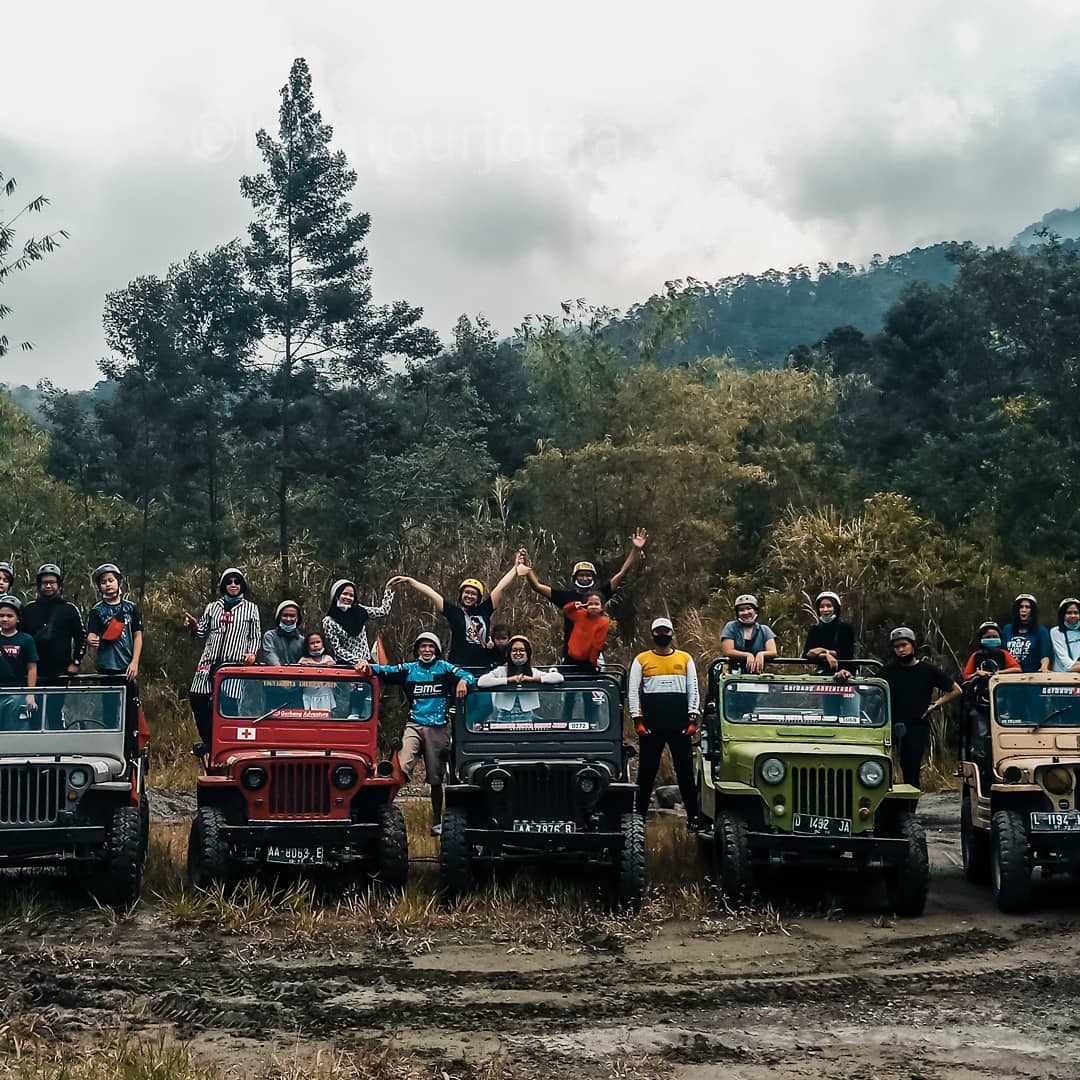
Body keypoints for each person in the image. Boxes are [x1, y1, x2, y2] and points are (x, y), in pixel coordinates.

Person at [358, 632, 476, 836]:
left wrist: (463, 682)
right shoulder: (409, 669)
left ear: (437, 650)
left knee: (436, 778)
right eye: (423, 646)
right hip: (414, 725)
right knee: (399, 769)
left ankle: (436, 820)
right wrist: (366, 666)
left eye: (431, 646)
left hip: (438, 727)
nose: (427, 650)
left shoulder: (445, 668)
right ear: (417, 650)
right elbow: (386, 670)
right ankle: (384, 815)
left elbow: (469, 675)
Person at [523, 529, 647, 659]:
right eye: (581, 575)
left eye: (588, 575)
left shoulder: (599, 594)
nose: (585, 578)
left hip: (594, 654)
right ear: (575, 577)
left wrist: (635, 550)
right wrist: (526, 566)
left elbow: (621, 574)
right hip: (571, 652)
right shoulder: (566, 597)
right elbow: (537, 586)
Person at [629, 617, 701, 830]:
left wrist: (693, 718)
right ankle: (639, 819)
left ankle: (694, 819)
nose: (663, 635)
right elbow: (633, 691)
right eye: (659, 631)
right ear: (653, 635)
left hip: (680, 725)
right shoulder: (641, 659)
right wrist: (637, 720)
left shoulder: (685, 658)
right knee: (646, 773)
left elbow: (693, 689)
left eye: (666, 631)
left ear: (672, 633)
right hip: (651, 726)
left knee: (686, 774)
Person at [181, 567, 260, 749]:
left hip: (234, 664)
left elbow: (255, 636)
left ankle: (225, 745)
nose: (233, 585)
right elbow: (201, 633)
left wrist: (252, 653)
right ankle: (209, 740)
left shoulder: (250, 609)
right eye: (229, 582)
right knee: (198, 698)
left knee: (228, 705)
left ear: (242, 585)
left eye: (237, 581)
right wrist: (193, 626)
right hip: (209, 662)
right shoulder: (213, 607)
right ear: (223, 585)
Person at [390, 561, 523, 668]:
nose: (469, 596)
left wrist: (515, 568)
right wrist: (410, 581)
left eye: (474, 594)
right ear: (461, 595)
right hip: (459, 666)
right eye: (466, 592)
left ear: (478, 597)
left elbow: (500, 587)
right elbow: (431, 594)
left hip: (483, 666)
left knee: (482, 701)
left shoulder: (485, 609)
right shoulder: (454, 612)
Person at [879, 627, 962, 788]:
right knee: (882, 768)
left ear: (913, 645)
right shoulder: (887, 671)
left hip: (916, 726)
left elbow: (956, 690)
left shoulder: (927, 670)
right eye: (897, 647)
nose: (901, 650)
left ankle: (909, 810)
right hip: (889, 725)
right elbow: (870, 690)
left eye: (904, 645)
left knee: (911, 771)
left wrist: (935, 705)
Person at [20, 564, 86, 729]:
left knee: (54, 711)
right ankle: (35, 752)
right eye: (44, 583)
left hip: (60, 672)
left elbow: (81, 637)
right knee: (34, 712)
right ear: (39, 585)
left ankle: (58, 751)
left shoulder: (69, 609)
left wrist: (76, 662)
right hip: (34, 671)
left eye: (52, 582)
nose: (48, 586)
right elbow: (20, 638)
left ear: (58, 584)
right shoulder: (29, 609)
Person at [85, 564, 143, 729]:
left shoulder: (130, 608)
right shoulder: (97, 610)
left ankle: (130, 748)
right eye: (103, 582)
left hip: (127, 667)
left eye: (111, 580)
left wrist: (135, 662)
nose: (108, 584)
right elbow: (92, 634)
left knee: (131, 712)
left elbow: (138, 635)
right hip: (107, 668)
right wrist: (91, 640)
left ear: (118, 582)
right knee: (109, 712)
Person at [476, 635, 564, 721]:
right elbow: (482, 682)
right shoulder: (501, 671)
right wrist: (508, 680)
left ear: (527, 653)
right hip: (503, 718)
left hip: (526, 718)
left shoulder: (533, 672)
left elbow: (558, 678)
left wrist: (532, 679)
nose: (518, 653)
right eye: (514, 650)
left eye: (522, 650)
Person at [321, 579, 395, 668]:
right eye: (344, 594)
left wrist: (389, 588)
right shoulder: (329, 621)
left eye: (351, 595)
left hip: (366, 664)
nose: (348, 598)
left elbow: (383, 611)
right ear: (336, 595)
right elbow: (337, 649)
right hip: (345, 667)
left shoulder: (360, 611)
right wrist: (358, 661)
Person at [0, 594, 38, 729]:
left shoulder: (26, 639)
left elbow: (32, 668)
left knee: (14, 728)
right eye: (1, 615)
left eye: (9, 616)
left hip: (16, 691)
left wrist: (30, 694)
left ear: (17, 619)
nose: (5, 619)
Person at [802, 591, 856, 675]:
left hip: (844, 672)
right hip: (821, 673)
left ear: (836, 608)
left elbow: (846, 653)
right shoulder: (814, 629)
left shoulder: (845, 628)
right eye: (821, 607)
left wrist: (821, 651)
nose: (825, 610)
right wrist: (826, 655)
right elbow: (807, 654)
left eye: (829, 606)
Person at [720, 594, 778, 673]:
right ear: (737, 613)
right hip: (733, 675)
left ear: (755, 610)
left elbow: (773, 651)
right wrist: (747, 655)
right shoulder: (731, 627)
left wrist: (761, 654)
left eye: (749, 608)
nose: (746, 612)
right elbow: (728, 651)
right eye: (741, 610)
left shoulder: (764, 630)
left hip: (756, 675)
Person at [1002, 593, 1051, 674]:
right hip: (1009, 676)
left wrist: (1044, 667)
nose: (1023, 610)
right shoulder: (1007, 629)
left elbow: (1044, 655)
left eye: (1027, 607)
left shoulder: (1041, 631)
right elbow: (1002, 652)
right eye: (1021, 607)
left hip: (1032, 677)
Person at [298, 630, 340, 712]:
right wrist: (303, 667)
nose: (315, 645)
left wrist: (331, 666)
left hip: (325, 694)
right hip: (309, 695)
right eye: (312, 643)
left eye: (318, 642)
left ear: (323, 643)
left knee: (325, 716)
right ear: (307, 646)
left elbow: (335, 676)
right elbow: (299, 676)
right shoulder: (304, 660)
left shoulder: (328, 658)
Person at [258, 600, 305, 666]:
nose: (288, 619)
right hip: (274, 674)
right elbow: (269, 655)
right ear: (279, 617)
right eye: (285, 615)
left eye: (292, 616)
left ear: (297, 618)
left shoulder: (302, 640)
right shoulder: (270, 636)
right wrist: (280, 670)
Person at [1050, 598, 1080, 674]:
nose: (1073, 615)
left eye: (1076, 612)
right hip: (1062, 675)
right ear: (1062, 614)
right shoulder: (1056, 631)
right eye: (1069, 613)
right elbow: (1063, 657)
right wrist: (1074, 667)